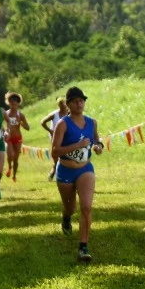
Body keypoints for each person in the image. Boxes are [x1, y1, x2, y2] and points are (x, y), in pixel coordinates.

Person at [51, 87, 103, 262]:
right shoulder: (63, 124)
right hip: (66, 169)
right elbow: (54, 151)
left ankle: (83, 247)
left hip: (85, 168)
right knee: (71, 208)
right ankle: (66, 217)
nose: (79, 104)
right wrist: (77, 145)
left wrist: (98, 147)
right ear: (68, 104)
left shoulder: (92, 122)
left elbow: (97, 140)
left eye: (81, 100)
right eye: (75, 101)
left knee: (86, 207)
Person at [4, 92, 30, 182]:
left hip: (17, 138)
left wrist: (21, 123)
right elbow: (0, 124)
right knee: (10, 155)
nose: (13, 106)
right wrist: (5, 132)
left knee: (15, 159)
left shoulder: (20, 115)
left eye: (15, 104)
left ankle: (14, 175)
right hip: (9, 138)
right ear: (9, 103)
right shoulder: (6, 114)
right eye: (12, 104)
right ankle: (9, 167)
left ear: (18, 104)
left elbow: (28, 128)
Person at [41, 97, 68, 181]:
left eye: (64, 104)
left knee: (65, 156)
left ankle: (59, 173)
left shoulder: (69, 113)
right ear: (58, 105)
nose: (63, 106)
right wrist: (50, 130)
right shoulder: (54, 114)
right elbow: (43, 122)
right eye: (61, 104)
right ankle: (54, 171)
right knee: (56, 155)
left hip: (66, 137)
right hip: (55, 137)